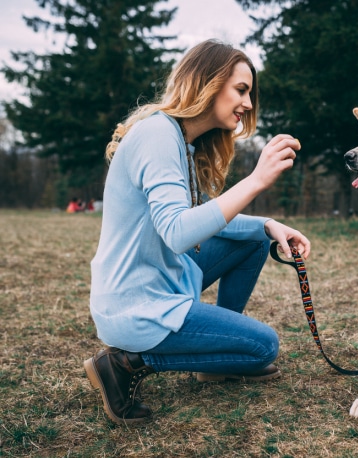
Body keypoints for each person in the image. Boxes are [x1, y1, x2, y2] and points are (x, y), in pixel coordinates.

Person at [84, 39, 311, 425]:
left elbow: (204, 217)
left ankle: (215, 358)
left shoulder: (181, 141)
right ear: (207, 83)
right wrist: (256, 181)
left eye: (250, 93)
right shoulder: (158, 136)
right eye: (241, 90)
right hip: (135, 304)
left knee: (255, 239)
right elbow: (177, 232)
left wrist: (269, 226)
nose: (249, 104)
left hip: (160, 281)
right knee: (263, 347)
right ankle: (124, 363)